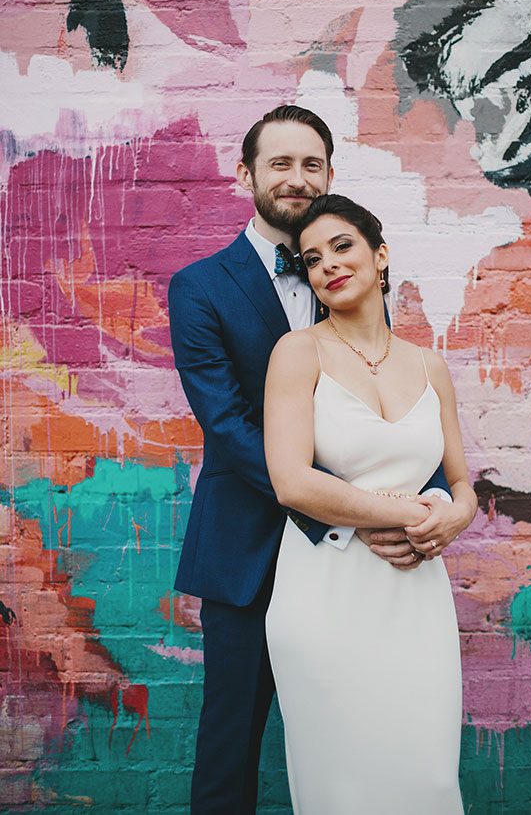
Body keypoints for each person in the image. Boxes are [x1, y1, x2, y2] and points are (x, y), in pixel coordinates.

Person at [168, 106, 469, 815]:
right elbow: (228, 426)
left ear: (330, 173)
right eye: (279, 163)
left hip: (375, 564)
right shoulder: (200, 287)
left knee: (376, 743)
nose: (297, 178)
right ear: (246, 174)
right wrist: (360, 510)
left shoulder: (350, 274)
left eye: (312, 164)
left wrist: (433, 506)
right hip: (248, 552)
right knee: (230, 747)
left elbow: (390, 419)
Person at [264, 194, 478, 814]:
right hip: (325, 591)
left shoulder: (430, 366)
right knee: (342, 785)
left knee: (427, 777)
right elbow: (291, 482)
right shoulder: (297, 352)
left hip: (416, 595)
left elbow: (461, 483)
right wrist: (408, 514)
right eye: (312, 259)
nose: (328, 264)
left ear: (380, 255)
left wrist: (456, 516)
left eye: (342, 246)